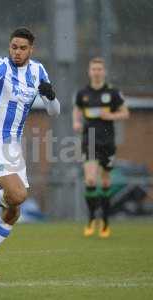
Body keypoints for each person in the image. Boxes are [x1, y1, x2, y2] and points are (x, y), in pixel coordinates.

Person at [0, 27, 60, 278]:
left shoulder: (39, 72)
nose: (17, 52)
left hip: (14, 147)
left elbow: (54, 112)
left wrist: (51, 97)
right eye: (13, 47)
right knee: (17, 194)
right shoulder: (1, 66)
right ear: (9, 47)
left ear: (31, 49)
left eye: (22, 48)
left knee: (13, 211)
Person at [73, 57, 129, 238]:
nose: (96, 72)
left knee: (105, 182)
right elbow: (77, 109)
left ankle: (105, 221)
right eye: (93, 69)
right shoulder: (83, 93)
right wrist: (76, 121)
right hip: (89, 140)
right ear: (89, 71)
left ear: (103, 72)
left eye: (99, 69)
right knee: (90, 180)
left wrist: (110, 116)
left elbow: (125, 113)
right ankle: (91, 219)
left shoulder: (113, 92)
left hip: (108, 142)